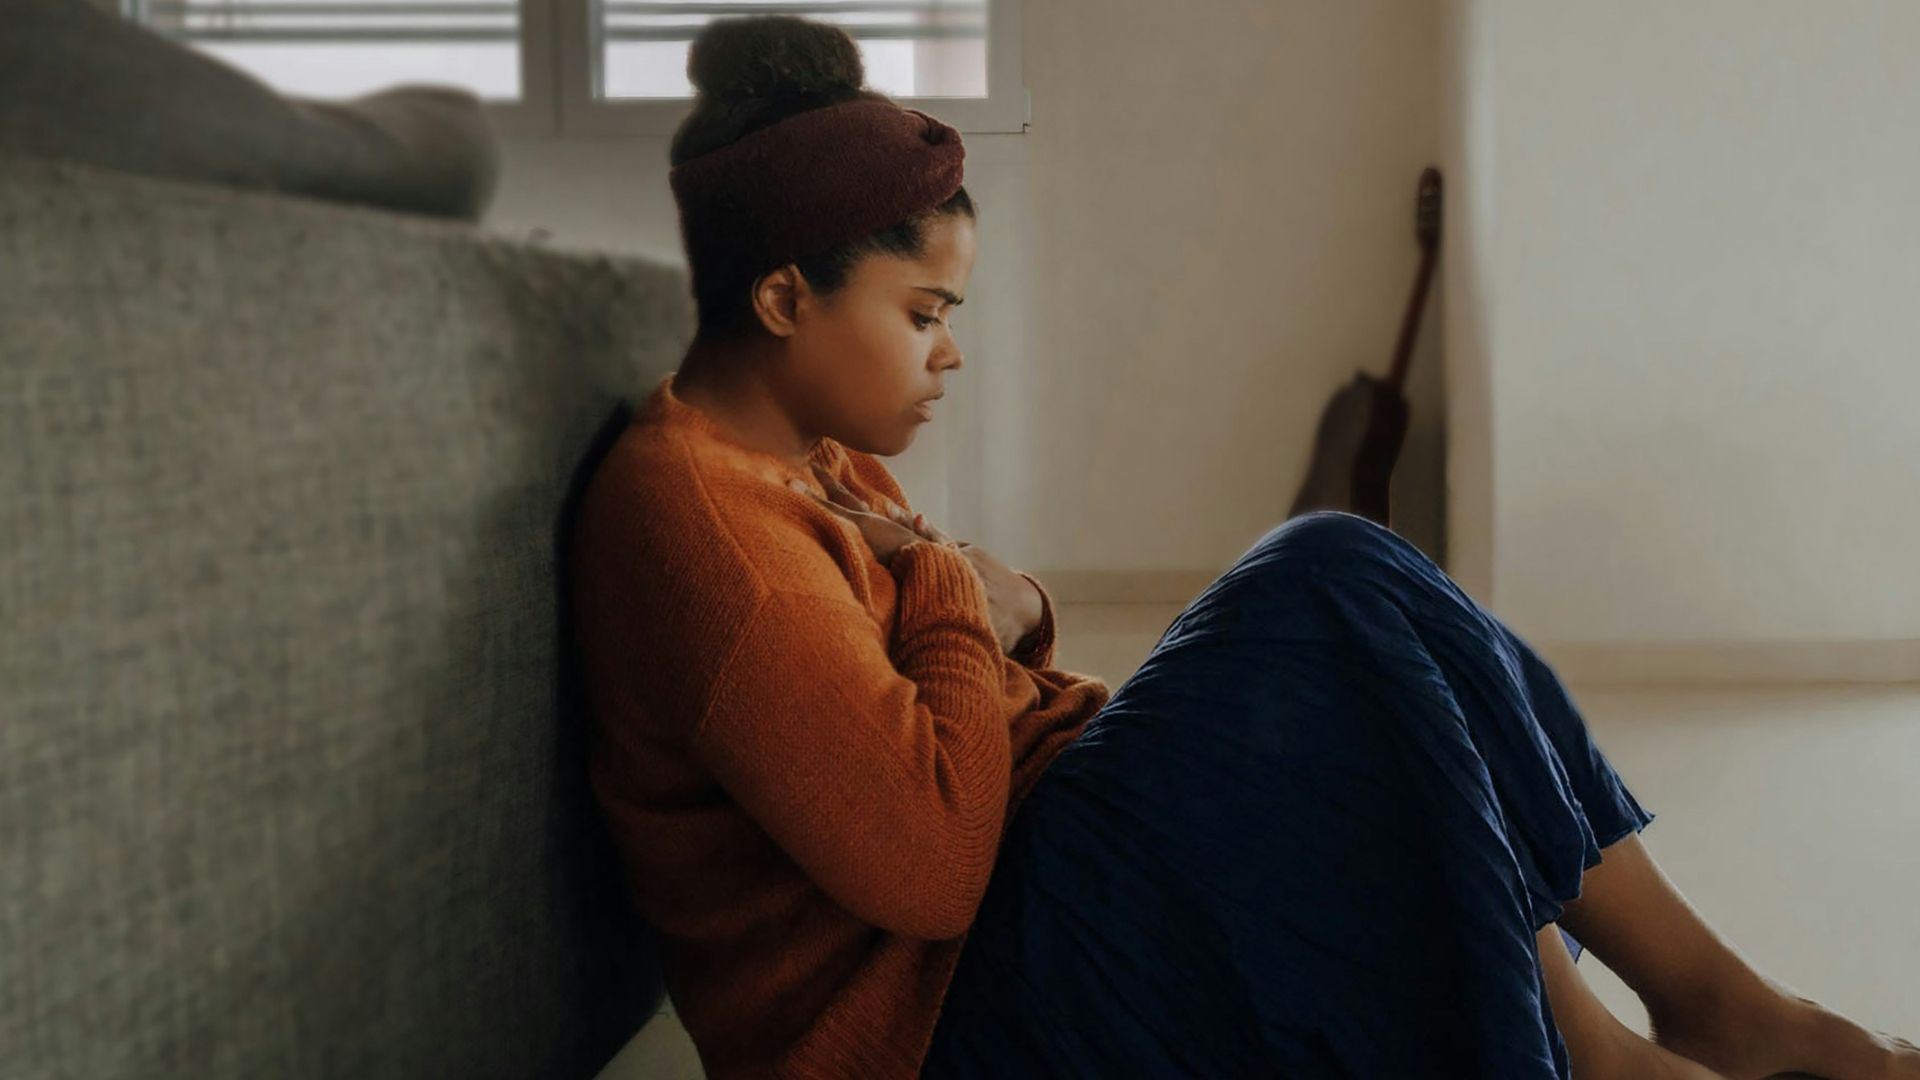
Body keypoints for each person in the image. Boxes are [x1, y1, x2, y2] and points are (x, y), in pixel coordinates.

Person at [566, 14, 1919, 1080]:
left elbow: (978, 657)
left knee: (1342, 584)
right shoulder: (702, 527)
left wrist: (1012, 598)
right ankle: (1628, 1054)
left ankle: (1713, 1006)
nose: (951, 349)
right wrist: (942, 583)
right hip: (950, 1022)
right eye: (923, 312)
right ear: (785, 294)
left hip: (1028, 907)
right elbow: (929, 868)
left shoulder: (808, 452)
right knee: (1324, 596)